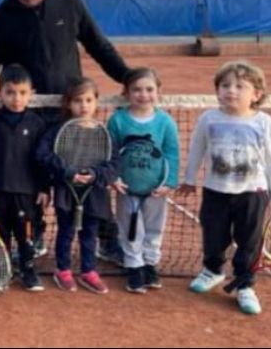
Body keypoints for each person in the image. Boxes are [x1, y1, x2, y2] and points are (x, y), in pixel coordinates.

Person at [0, 0, 131, 263]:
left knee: (87, 173)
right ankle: (35, 234)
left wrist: (127, 77)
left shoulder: (70, 5)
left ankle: (105, 238)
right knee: (28, 177)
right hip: (25, 113)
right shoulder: (2, 15)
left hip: (68, 112)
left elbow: (99, 46)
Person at [178, 61, 271, 315]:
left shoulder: (263, 122)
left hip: (253, 193)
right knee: (213, 235)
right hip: (215, 191)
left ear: (256, 94)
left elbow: (270, 157)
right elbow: (196, 149)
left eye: (240, 86)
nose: (231, 91)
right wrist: (189, 178)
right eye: (225, 85)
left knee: (249, 241)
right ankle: (213, 270)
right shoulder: (208, 118)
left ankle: (245, 284)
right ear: (217, 90)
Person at [36, 77, 118, 294]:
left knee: (89, 233)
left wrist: (94, 174)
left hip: (93, 193)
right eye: (77, 101)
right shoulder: (57, 131)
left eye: (89, 100)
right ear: (68, 104)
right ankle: (62, 269)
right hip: (67, 191)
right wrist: (68, 172)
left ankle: (88, 271)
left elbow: (113, 164)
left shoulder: (104, 133)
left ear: (96, 102)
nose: (83, 105)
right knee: (66, 231)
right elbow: (42, 155)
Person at [0, 65, 49, 292]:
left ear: (31, 94)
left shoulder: (37, 124)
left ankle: (28, 271)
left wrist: (45, 187)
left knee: (26, 234)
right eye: (10, 92)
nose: (17, 98)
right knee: (0, 233)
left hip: (27, 192)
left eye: (23, 93)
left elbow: (42, 160)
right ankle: (0, 270)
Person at [107, 68, 180, 294]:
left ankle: (150, 263)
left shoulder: (165, 122)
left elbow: (172, 153)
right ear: (126, 92)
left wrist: (169, 182)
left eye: (149, 89)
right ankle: (134, 266)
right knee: (129, 229)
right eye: (136, 89)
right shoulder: (118, 120)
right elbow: (110, 151)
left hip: (155, 189)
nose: (143, 94)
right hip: (127, 188)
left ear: (159, 91)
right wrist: (114, 177)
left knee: (154, 228)